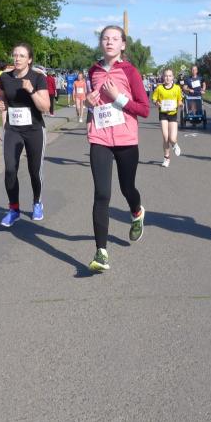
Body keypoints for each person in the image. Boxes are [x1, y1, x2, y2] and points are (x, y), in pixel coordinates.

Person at [85, 25, 150, 272]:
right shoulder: (93, 70)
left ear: (123, 45)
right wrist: (89, 104)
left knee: (127, 188)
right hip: (99, 138)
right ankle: (101, 252)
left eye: (115, 39)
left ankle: (136, 211)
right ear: (101, 43)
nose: (109, 42)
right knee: (102, 194)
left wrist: (118, 97)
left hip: (126, 139)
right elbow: (93, 104)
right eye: (105, 38)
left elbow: (144, 109)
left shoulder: (130, 71)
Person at [0, 43, 51, 227]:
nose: (17, 58)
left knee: (34, 170)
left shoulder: (38, 78)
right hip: (13, 129)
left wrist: (31, 91)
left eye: (21, 55)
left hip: (34, 130)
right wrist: (1, 103)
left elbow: (45, 107)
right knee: (10, 169)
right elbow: (3, 98)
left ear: (29, 59)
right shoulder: (5, 77)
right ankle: (14, 210)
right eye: (15, 55)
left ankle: (37, 202)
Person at [151, 68, 183, 167]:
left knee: (172, 138)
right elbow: (154, 99)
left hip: (173, 114)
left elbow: (179, 100)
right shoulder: (159, 88)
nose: (167, 78)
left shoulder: (177, 88)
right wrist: (157, 103)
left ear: (173, 77)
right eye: (165, 76)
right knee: (165, 137)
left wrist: (180, 104)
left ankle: (174, 144)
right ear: (163, 77)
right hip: (163, 114)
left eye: (169, 76)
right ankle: (166, 158)